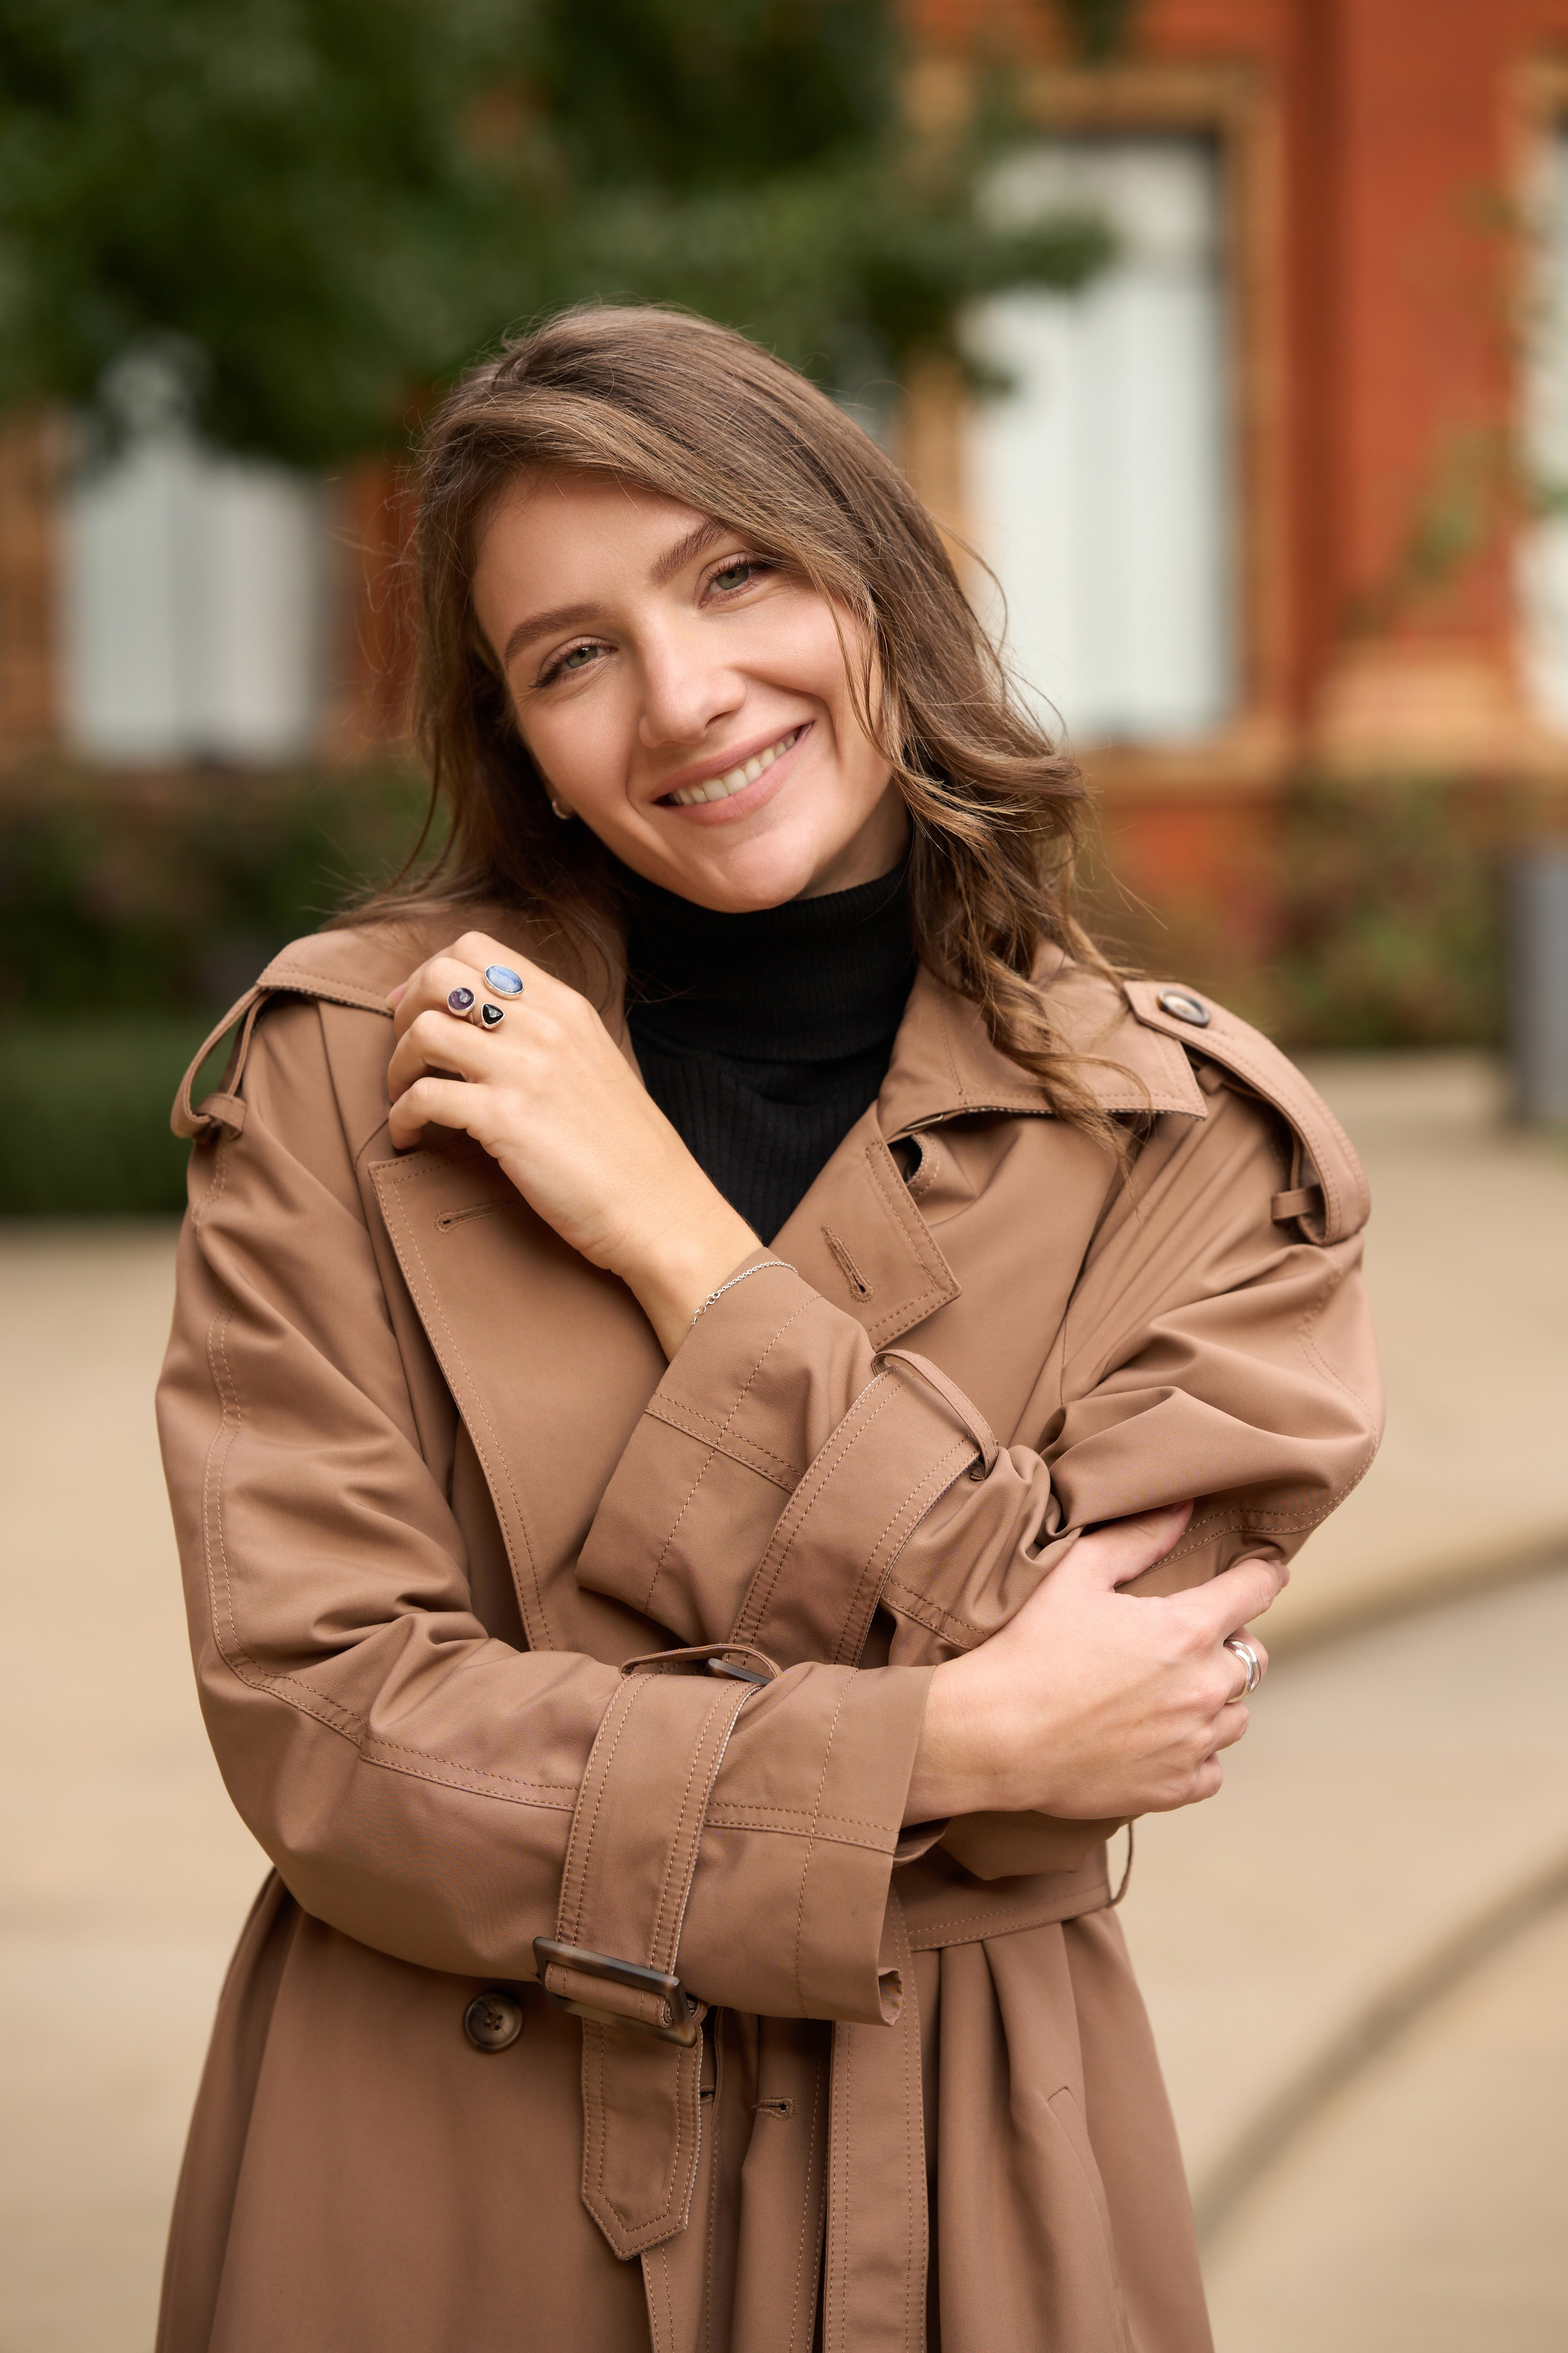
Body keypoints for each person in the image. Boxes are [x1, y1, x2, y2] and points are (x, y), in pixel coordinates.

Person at [156, 305, 1381, 2353]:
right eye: (572, 656)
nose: (684, 696)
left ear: (874, 578)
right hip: (428, 2188)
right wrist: (955, 1739)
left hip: (972, 2165)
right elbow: (333, 1729)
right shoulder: (346, 1077)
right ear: (517, 738)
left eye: (737, 574)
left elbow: (1116, 1701)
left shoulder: (1203, 1146)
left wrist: (678, 1244)